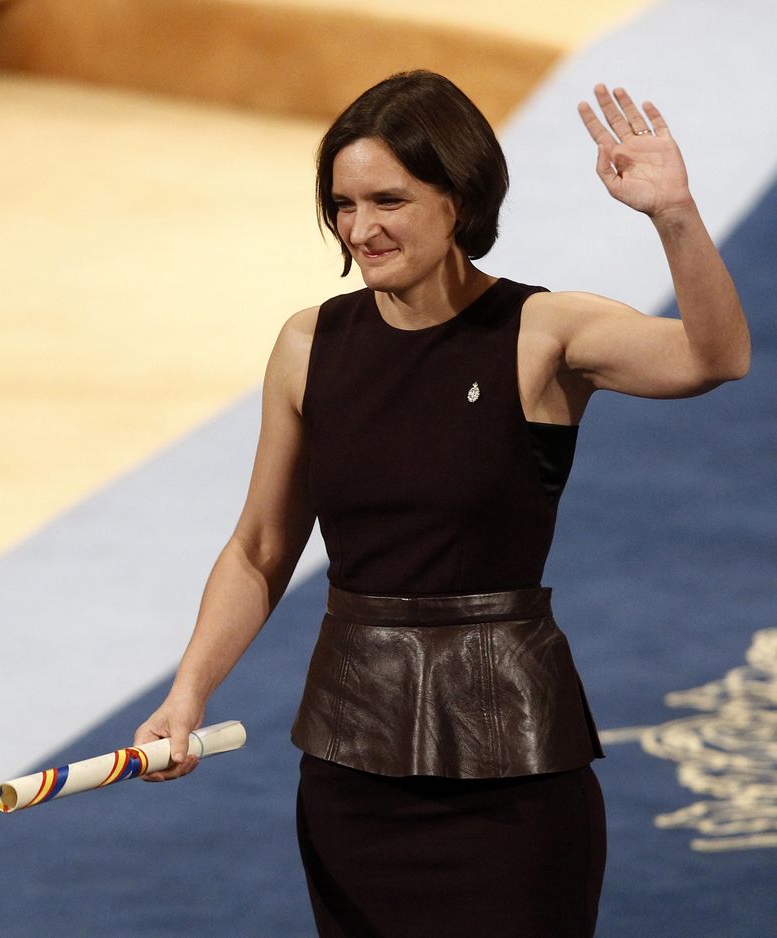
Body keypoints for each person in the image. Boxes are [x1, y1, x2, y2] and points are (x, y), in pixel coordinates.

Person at [134, 71, 750, 936]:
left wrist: (672, 216)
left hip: (512, 773)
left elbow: (711, 359)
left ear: (457, 198)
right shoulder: (309, 344)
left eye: (387, 199)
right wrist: (187, 692)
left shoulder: (544, 332)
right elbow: (261, 547)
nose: (360, 229)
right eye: (342, 205)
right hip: (351, 768)